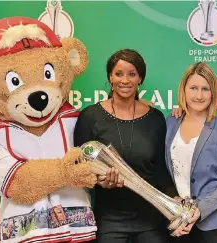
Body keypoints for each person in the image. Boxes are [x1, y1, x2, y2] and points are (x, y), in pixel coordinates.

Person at [74, 49, 174, 243]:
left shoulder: (155, 118)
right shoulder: (90, 117)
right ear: (110, 77)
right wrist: (98, 181)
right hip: (110, 220)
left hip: (151, 220)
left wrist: (174, 200)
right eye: (118, 74)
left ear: (140, 79)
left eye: (132, 74)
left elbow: (160, 169)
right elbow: (79, 168)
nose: (125, 80)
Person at [165, 62, 217, 243]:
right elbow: (163, 170)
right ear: (184, 90)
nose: (199, 95)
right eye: (193, 88)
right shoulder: (170, 123)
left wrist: (199, 210)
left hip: (213, 224)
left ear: (213, 93)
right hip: (178, 221)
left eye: (205, 89)